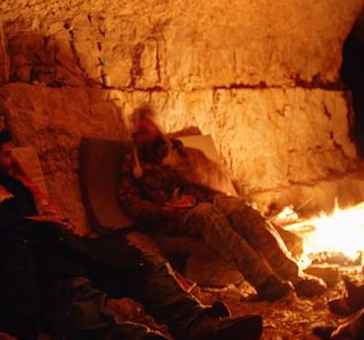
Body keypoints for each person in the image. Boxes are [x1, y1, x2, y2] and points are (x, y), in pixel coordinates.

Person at [0, 127, 264, 340]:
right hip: (34, 261)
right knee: (76, 297)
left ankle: (195, 324)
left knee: (142, 264)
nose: (13, 160)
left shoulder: (22, 186)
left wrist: (51, 226)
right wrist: (17, 226)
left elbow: (54, 218)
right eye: (7, 154)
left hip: (66, 244)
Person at [117, 107, 327, 301]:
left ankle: (296, 277)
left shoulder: (178, 152)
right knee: (208, 215)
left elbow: (206, 179)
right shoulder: (133, 163)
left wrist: (191, 185)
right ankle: (264, 282)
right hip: (173, 218)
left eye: (149, 128)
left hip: (202, 200)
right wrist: (162, 211)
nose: (144, 134)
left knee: (241, 210)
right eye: (141, 130)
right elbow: (130, 200)